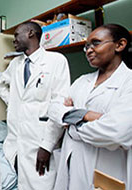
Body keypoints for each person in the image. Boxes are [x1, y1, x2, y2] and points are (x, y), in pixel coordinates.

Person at [48, 24, 132, 190]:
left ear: (120, 45)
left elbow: (116, 133)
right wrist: (85, 115)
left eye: (96, 43)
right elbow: (53, 107)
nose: (88, 50)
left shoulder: (128, 82)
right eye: (86, 46)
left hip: (107, 170)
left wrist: (72, 126)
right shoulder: (82, 81)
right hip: (73, 166)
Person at [0, 22, 71, 189]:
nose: (13, 40)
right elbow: (0, 84)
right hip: (16, 141)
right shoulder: (16, 63)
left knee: (41, 184)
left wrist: (47, 146)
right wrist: (13, 103)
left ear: (31, 33)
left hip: (40, 140)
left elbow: (59, 105)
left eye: (16, 35)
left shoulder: (56, 61)